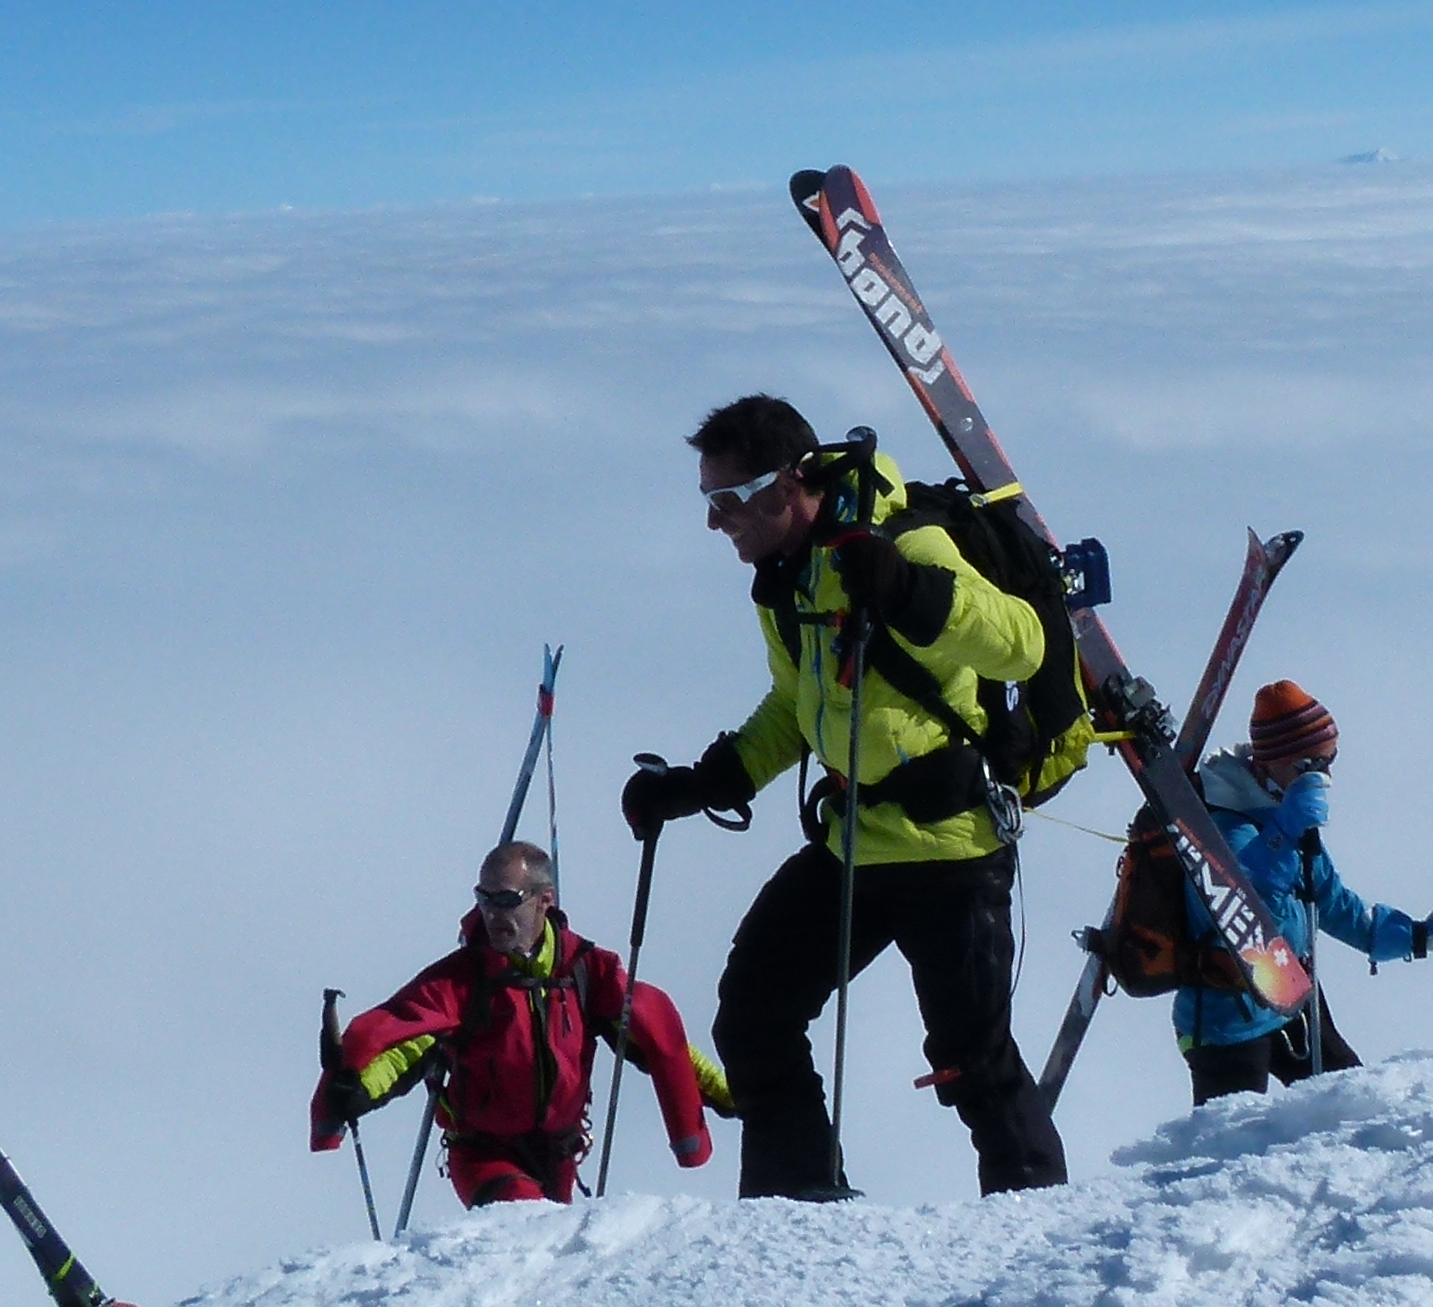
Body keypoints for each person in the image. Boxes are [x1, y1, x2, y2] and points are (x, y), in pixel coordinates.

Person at [618, 395, 1061, 1198]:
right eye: (706, 501)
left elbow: (1021, 648)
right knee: (753, 1016)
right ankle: (800, 1210)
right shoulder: (786, 581)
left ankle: (1035, 1238)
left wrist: (908, 592)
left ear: (785, 487)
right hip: (854, 842)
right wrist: (704, 783)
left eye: (724, 500)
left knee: (972, 1057)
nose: (715, 523)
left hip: (949, 848)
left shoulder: (907, 542)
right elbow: (796, 706)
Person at [313, 841, 718, 1204]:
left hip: (560, 1155)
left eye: (506, 899)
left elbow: (663, 1041)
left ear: (544, 900)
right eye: (483, 899)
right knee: (531, 1229)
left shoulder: (585, 972)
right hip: (483, 1157)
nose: (492, 913)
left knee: (555, 1258)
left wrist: (734, 1093)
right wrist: (362, 1087)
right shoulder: (462, 980)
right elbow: (409, 1044)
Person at [1175, 679, 1433, 1104]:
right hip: (1225, 1022)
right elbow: (1248, 919)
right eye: (1310, 763)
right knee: (1230, 1145)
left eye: (1330, 760)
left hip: (1290, 993)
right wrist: (1285, 832)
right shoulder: (1219, 825)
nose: (1323, 776)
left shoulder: (1278, 812)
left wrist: (1418, 937)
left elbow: (1328, 899)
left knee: (1350, 1106)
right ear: (1269, 762)